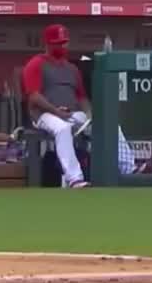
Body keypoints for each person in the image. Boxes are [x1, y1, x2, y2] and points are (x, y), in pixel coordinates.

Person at [22, 24, 112, 188]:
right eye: (59, 43)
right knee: (62, 129)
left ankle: (129, 166)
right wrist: (56, 111)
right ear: (49, 43)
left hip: (71, 114)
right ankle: (74, 179)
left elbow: (82, 97)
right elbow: (34, 97)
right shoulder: (36, 64)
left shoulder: (72, 68)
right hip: (44, 115)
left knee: (105, 123)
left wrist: (89, 115)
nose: (63, 46)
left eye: (65, 42)